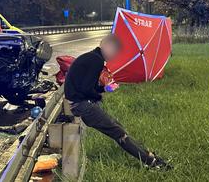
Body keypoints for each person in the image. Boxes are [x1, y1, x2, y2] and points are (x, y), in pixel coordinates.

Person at [65, 34, 172, 170]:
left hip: (79, 103)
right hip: (82, 105)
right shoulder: (96, 60)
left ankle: (148, 156)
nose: (114, 55)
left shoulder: (92, 58)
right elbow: (86, 89)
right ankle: (152, 162)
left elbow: (88, 87)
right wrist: (99, 96)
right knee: (119, 133)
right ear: (105, 45)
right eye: (114, 51)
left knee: (118, 127)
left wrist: (105, 88)